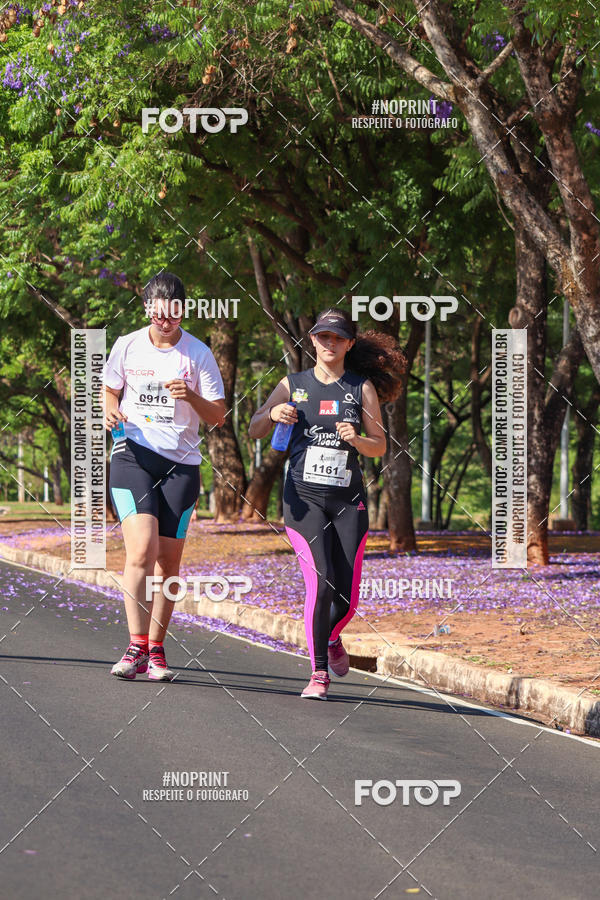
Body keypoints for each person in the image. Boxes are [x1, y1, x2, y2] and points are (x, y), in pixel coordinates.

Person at [249, 308, 405, 699]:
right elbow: (253, 428)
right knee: (319, 582)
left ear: (349, 344)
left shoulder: (360, 388)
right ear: (312, 340)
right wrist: (272, 412)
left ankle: (332, 635)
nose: (328, 343)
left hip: (347, 500)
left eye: (337, 338)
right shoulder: (293, 384)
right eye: (322, 336)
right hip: (303, 499)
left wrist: (356, 438)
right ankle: (318, 672)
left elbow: (380, 446)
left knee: (348, 598)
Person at [103, 273, 226, 681]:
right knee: (141, 550)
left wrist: (190, 395)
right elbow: (109, 390)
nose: (165, 320)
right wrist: (109, 409)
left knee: (168, 565)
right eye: (157, 313)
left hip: (182, 466)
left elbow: (218, 417)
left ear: (182, 312)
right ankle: (135, 646)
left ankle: (156, 650)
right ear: (147, 310)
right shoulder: (127, 345)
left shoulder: (199, 354)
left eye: (173, 313)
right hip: (132, 455)